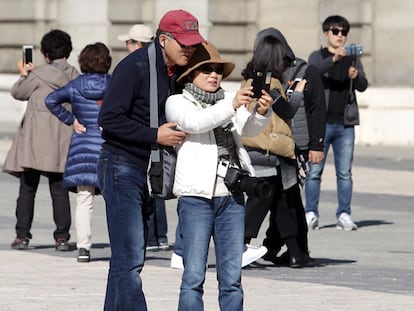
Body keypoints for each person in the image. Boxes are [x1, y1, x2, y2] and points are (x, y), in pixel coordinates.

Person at [97, 9, 205, 310]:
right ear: (162, 40)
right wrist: (153, 135)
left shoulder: (176, 70)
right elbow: (108, 119)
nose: (189, 48)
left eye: (193, 42)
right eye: (183, 42)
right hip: (120, 165)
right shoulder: (135, 67)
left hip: (144, 167)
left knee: (125, 259)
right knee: (131, 256)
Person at [165, 41, 272, 311]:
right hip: (196, 199)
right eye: (206, 70)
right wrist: (233, 104)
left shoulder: (226, 101)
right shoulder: (177, 102)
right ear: (190, 74)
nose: (214, 75)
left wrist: (261, 112)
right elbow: (196, 123)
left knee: (232, 280)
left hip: (232, 198)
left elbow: (247, 131)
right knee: (193, 277)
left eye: (217, 70)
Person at [242, 28, 326, 268]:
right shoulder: (270, 82)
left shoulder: (250, 80)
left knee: (285, 202)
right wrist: (297, 94)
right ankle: (242, 248)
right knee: (265, 203)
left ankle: (296, 252)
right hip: (272, 152)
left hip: (262, 150)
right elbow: (286, 111)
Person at [4, 29, 79, 251]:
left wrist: (24, 74)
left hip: (34, 143)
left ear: (46, 53)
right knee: (59, 190)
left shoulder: (38, 74)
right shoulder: (74, 75)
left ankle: (22, 235)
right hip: (61, 142)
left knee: (27, 189)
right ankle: (62, 237)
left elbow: (18, 92)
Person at [45, 42, 112, 262]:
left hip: (83, 145)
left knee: (84, 199)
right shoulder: (113, 84)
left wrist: (71, 120)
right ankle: (121, 245)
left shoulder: (76, 85)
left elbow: (51, 100)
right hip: (109, 145)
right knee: (116, 199)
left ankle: (84, 247)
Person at [305, 15, 368, 231]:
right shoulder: (318, 56)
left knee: (344, 173)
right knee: (314, 171)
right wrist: (333, 59)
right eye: (335, 31)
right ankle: (311, 213)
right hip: (320, 123)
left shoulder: (352, 58)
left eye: (343, 32)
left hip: (345, 123)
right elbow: (312, 72)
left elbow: (363, 86)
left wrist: (356, 75)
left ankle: (344, 214)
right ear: (326, 33)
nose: (340, 36)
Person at [118, 24, 170, 252]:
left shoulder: (134, 68)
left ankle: (153, 236)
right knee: (154, 185)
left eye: (129, 42)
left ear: (138, 44)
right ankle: (159, 236)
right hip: (154, 139)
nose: (127, 46)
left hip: (144, 141)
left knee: (149, 187)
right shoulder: (148, 68)